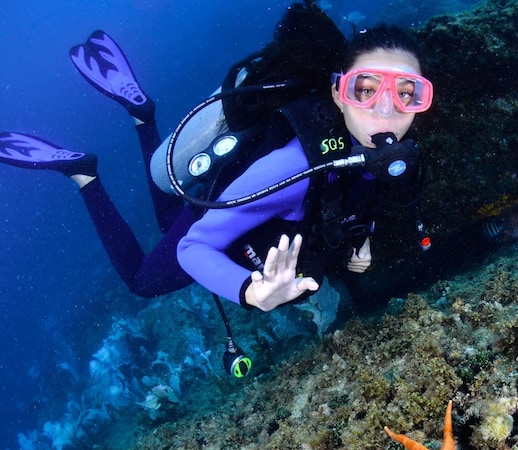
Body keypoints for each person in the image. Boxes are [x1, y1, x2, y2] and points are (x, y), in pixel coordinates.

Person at [0, 1, 432, 312]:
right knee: (143, 281)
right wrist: (249, 291)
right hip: (228, 207)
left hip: (230, 204)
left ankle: (142, 117)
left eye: (408, 93)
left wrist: (363, 240)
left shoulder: (385, 154)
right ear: (339, 93)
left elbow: (360, 195)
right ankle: (84, 175)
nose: (386, 108)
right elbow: (195, 246)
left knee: (171, 215)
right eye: (366, 88)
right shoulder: (293, 170)